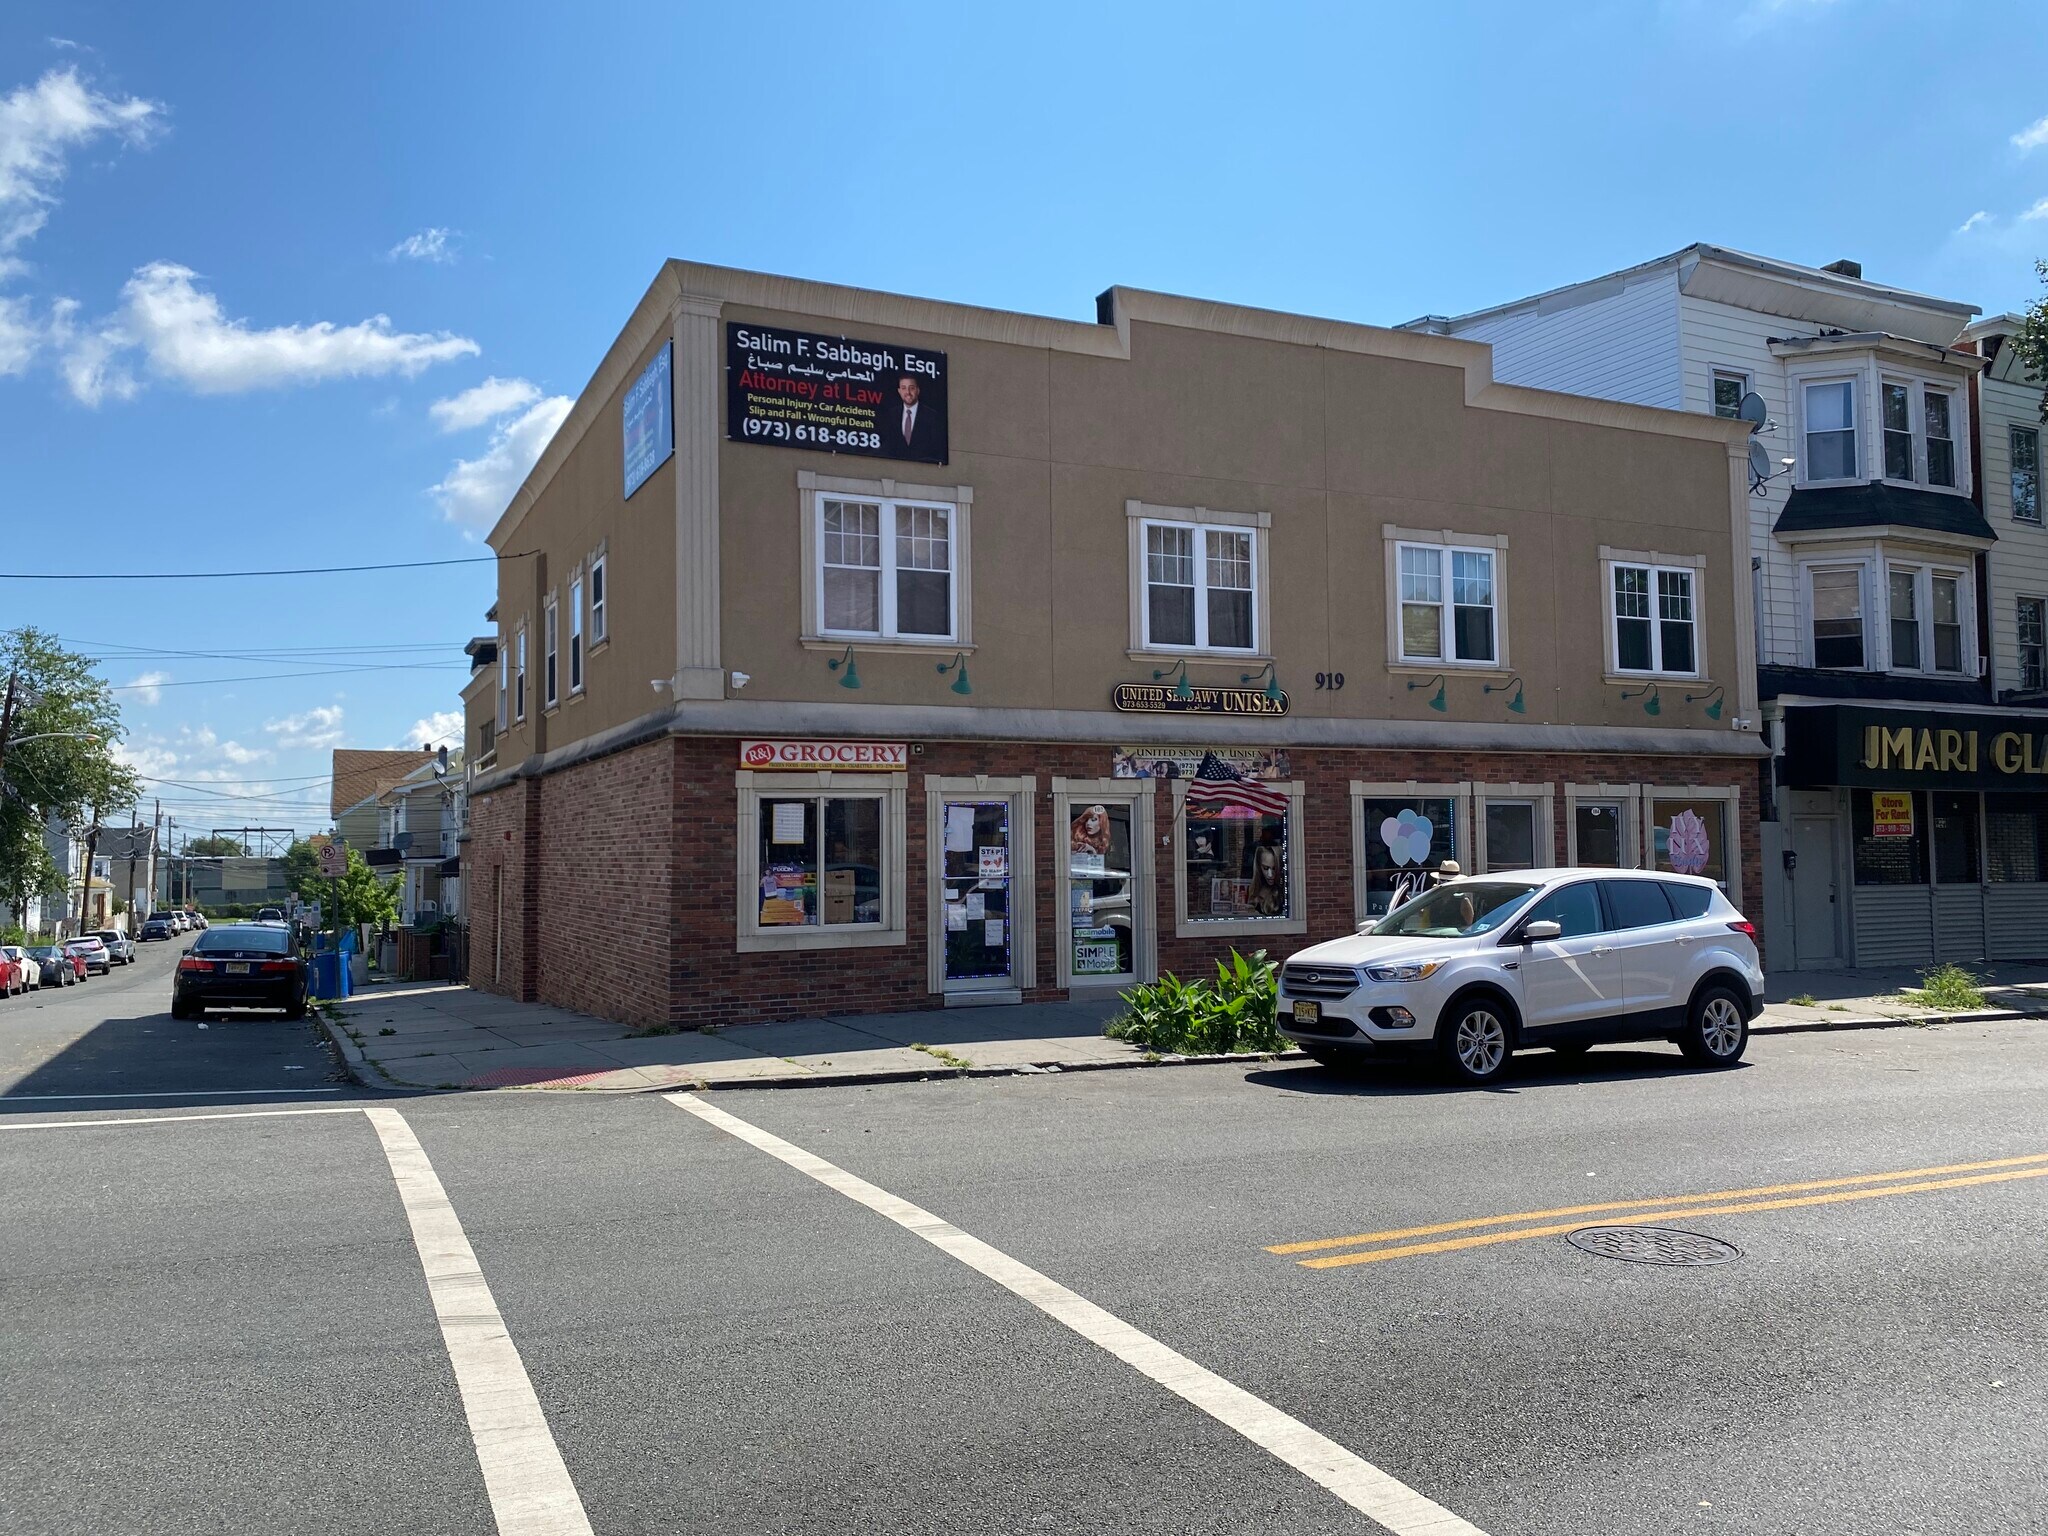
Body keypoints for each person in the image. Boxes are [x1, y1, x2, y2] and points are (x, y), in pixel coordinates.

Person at [880, 373, 945, 461]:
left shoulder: (932, 416)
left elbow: (938, 448)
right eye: (904, 388)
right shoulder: (891, 414)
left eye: (912, 388)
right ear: (899, 391)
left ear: (918, 390)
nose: (908, 392)